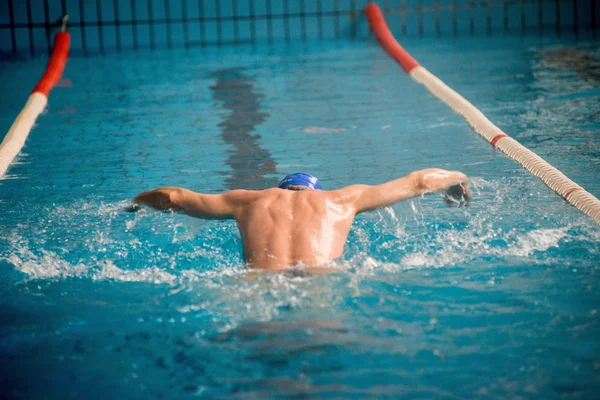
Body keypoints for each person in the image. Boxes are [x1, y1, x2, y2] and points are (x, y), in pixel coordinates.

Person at [129, 169, 469, 270]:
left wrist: (134, 203)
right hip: (322, 281)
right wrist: (459, 178)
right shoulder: (340, 199)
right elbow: (420, 182)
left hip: (259, 283)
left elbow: (173, 197)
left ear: (282, 189)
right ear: (315, 191)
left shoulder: (249, 200)